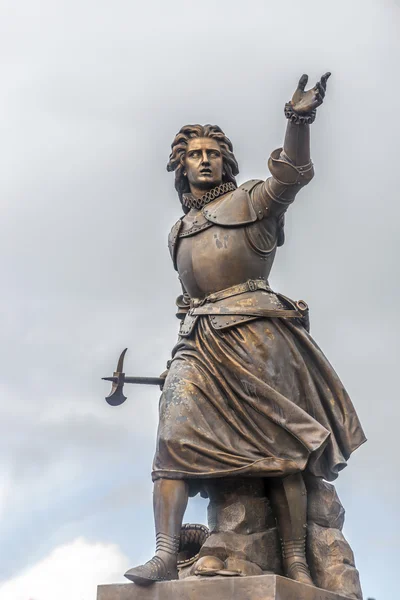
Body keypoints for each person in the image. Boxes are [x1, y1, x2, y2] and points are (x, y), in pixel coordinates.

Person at [124, 73, 366, 587]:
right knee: (172, 439)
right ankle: (167, 553)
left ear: (226, 163)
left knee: (283, 452)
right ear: (181, 165)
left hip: (259, 335)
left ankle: (297, 560)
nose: (205, 160)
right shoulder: (179, 231)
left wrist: (298, 122)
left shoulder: (253, 202)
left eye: (213, 153)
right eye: (195, 154)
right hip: (200, 342)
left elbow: (293, 174)